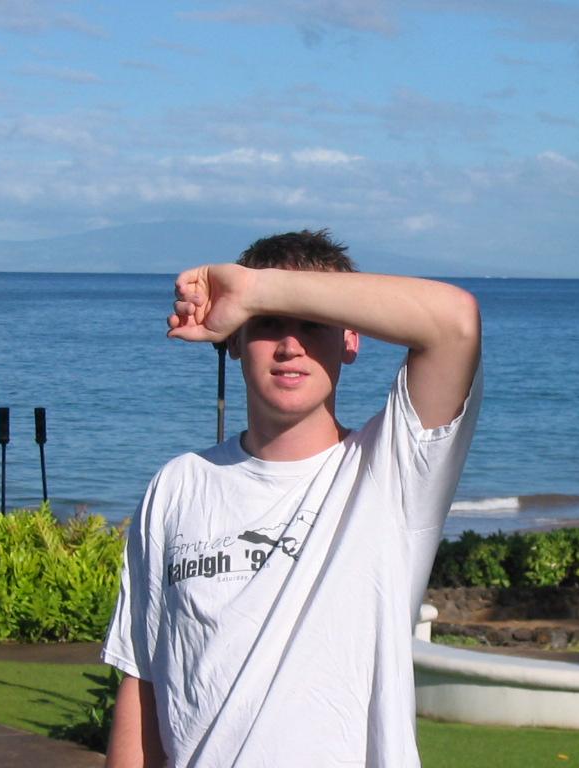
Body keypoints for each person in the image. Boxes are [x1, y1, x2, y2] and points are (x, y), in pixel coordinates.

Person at [102, 230, 482, 767]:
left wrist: (256, 291)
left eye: (312, 323)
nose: (289, 346)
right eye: (267, 324)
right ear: (234, 339)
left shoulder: (390, 470)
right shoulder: (179, 485)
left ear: (351, 340)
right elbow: (143, 681)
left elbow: (455, 323)